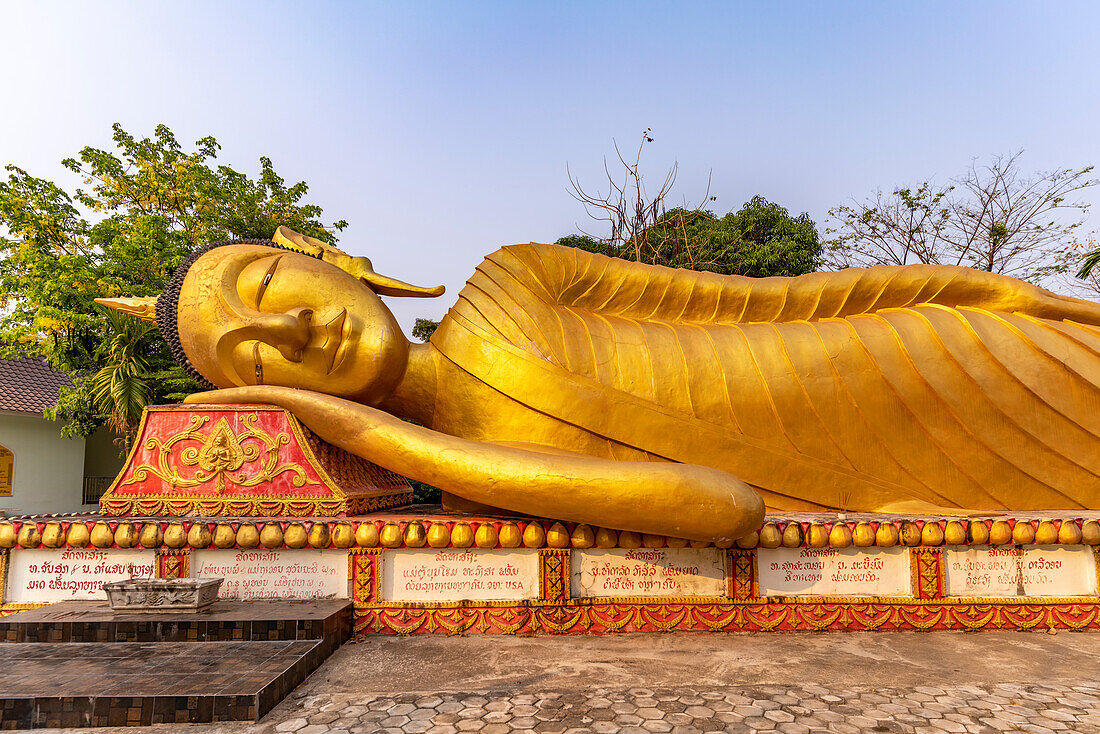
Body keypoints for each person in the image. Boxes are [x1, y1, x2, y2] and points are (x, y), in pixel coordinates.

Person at [98, 227, 1100, 541]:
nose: (285, 323)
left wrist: (970, 287)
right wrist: (352, 428)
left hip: (934, 347)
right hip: (899, 472)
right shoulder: (472, 475)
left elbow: (774, 300)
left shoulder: (511, 275)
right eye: (257, 358)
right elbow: (719, 504)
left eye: (265, 283)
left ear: (324, 257)